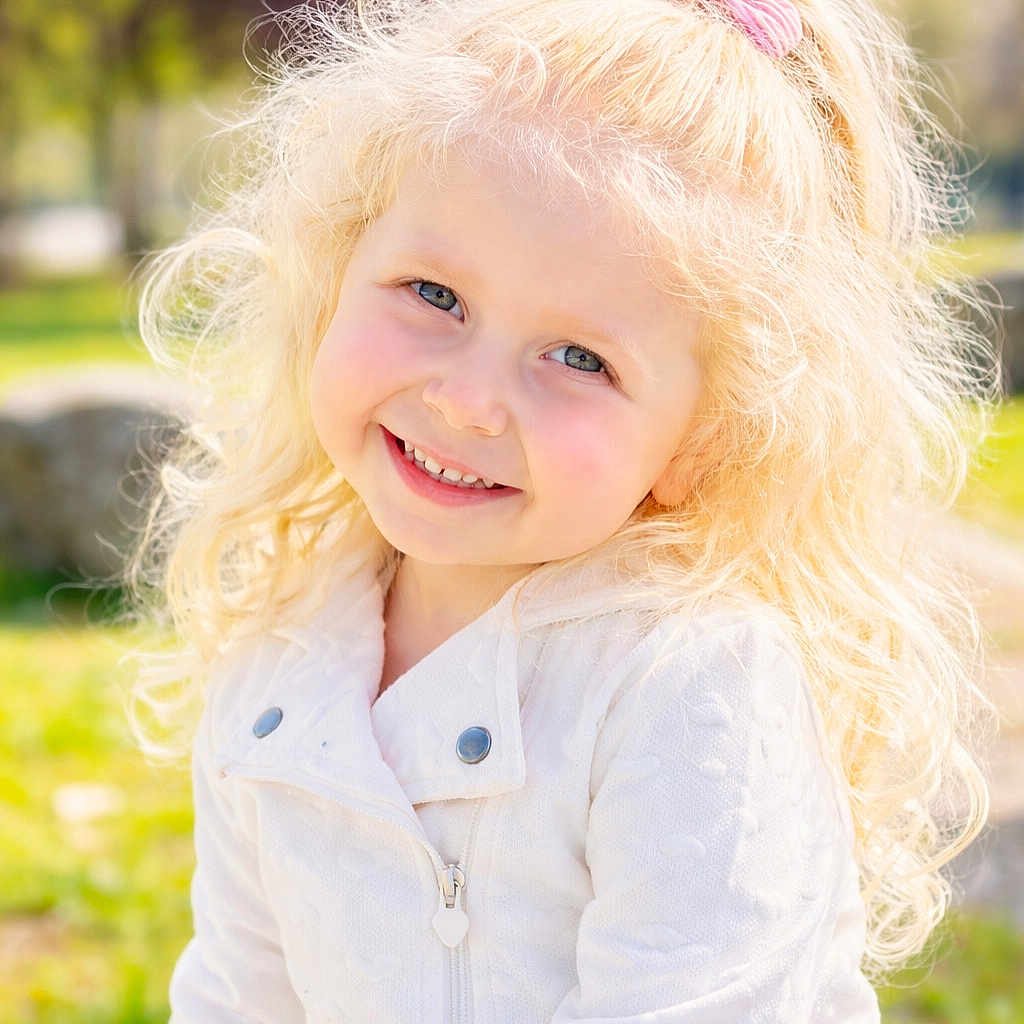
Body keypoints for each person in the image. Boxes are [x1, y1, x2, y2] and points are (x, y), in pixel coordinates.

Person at [127, 0, 1002, 1019]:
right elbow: (240, 993)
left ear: (702, 437)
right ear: (335, 271)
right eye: (432, 293)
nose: (466, 399)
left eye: (579, 358)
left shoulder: (685, 681)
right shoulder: (283, 647)